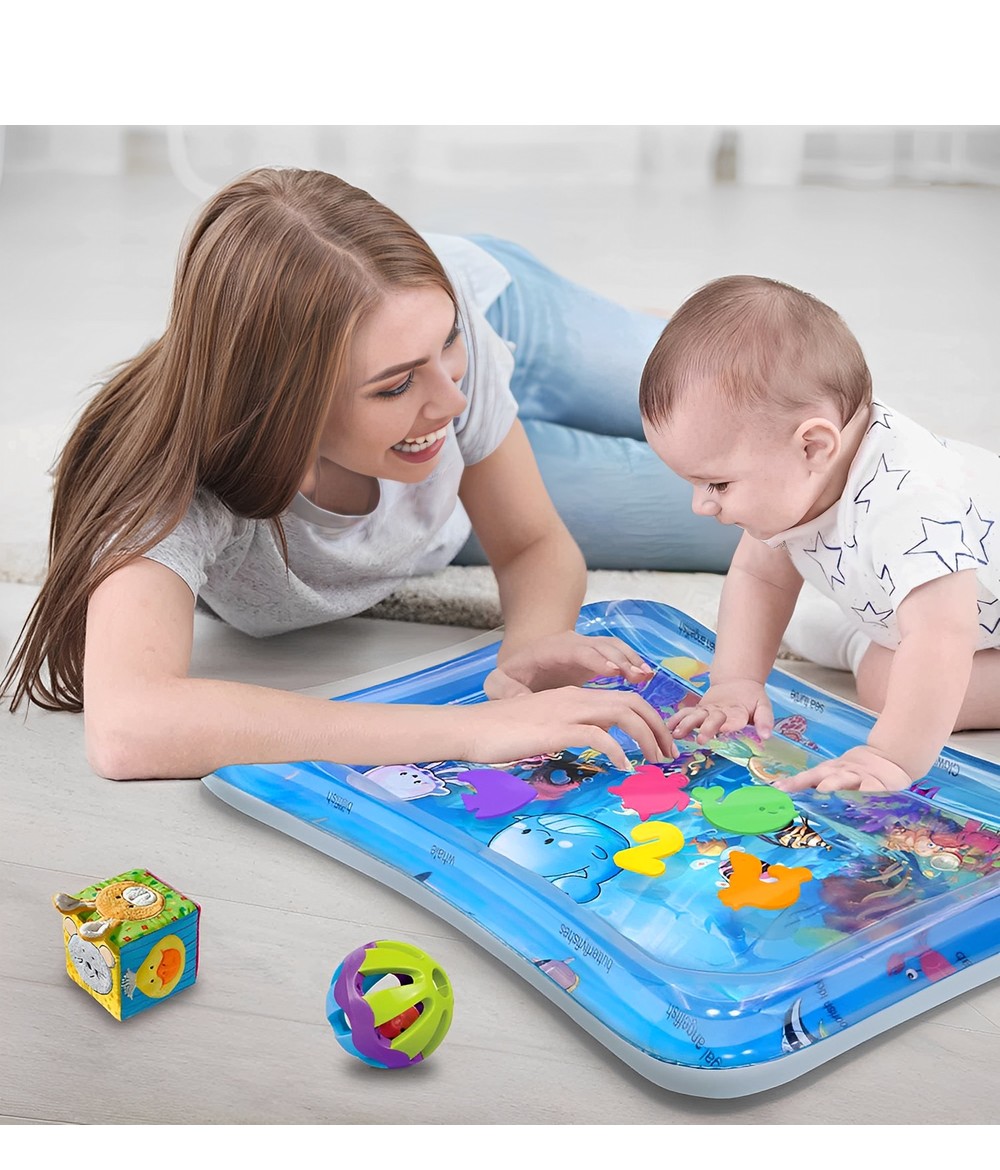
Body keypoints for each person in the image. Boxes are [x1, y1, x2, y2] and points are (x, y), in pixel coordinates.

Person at [2, 166, 689, 780]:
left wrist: (531, 655)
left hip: (495, 315)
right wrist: (468, 731)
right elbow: (129, 727)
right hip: (437, 482)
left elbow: (531, 542)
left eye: (443, 350)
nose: (453, 401)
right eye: (393, 387)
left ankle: (615, 335)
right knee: (717, 507)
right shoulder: (172, 488)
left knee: (742, 422)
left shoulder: (435, 336)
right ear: (280, 409)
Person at [639, 273, 1000, 793]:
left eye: (716, 482)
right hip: (937, 617)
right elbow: (758, 576)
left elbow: (945, 635)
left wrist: (889, 758)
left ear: (812, 446)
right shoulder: (807, 475)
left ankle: (861, 643)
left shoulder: (910, 509)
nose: (701, 505)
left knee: (893, 691)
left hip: (961, 623)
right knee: (856, 650)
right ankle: (862, 638)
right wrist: (735, 683)